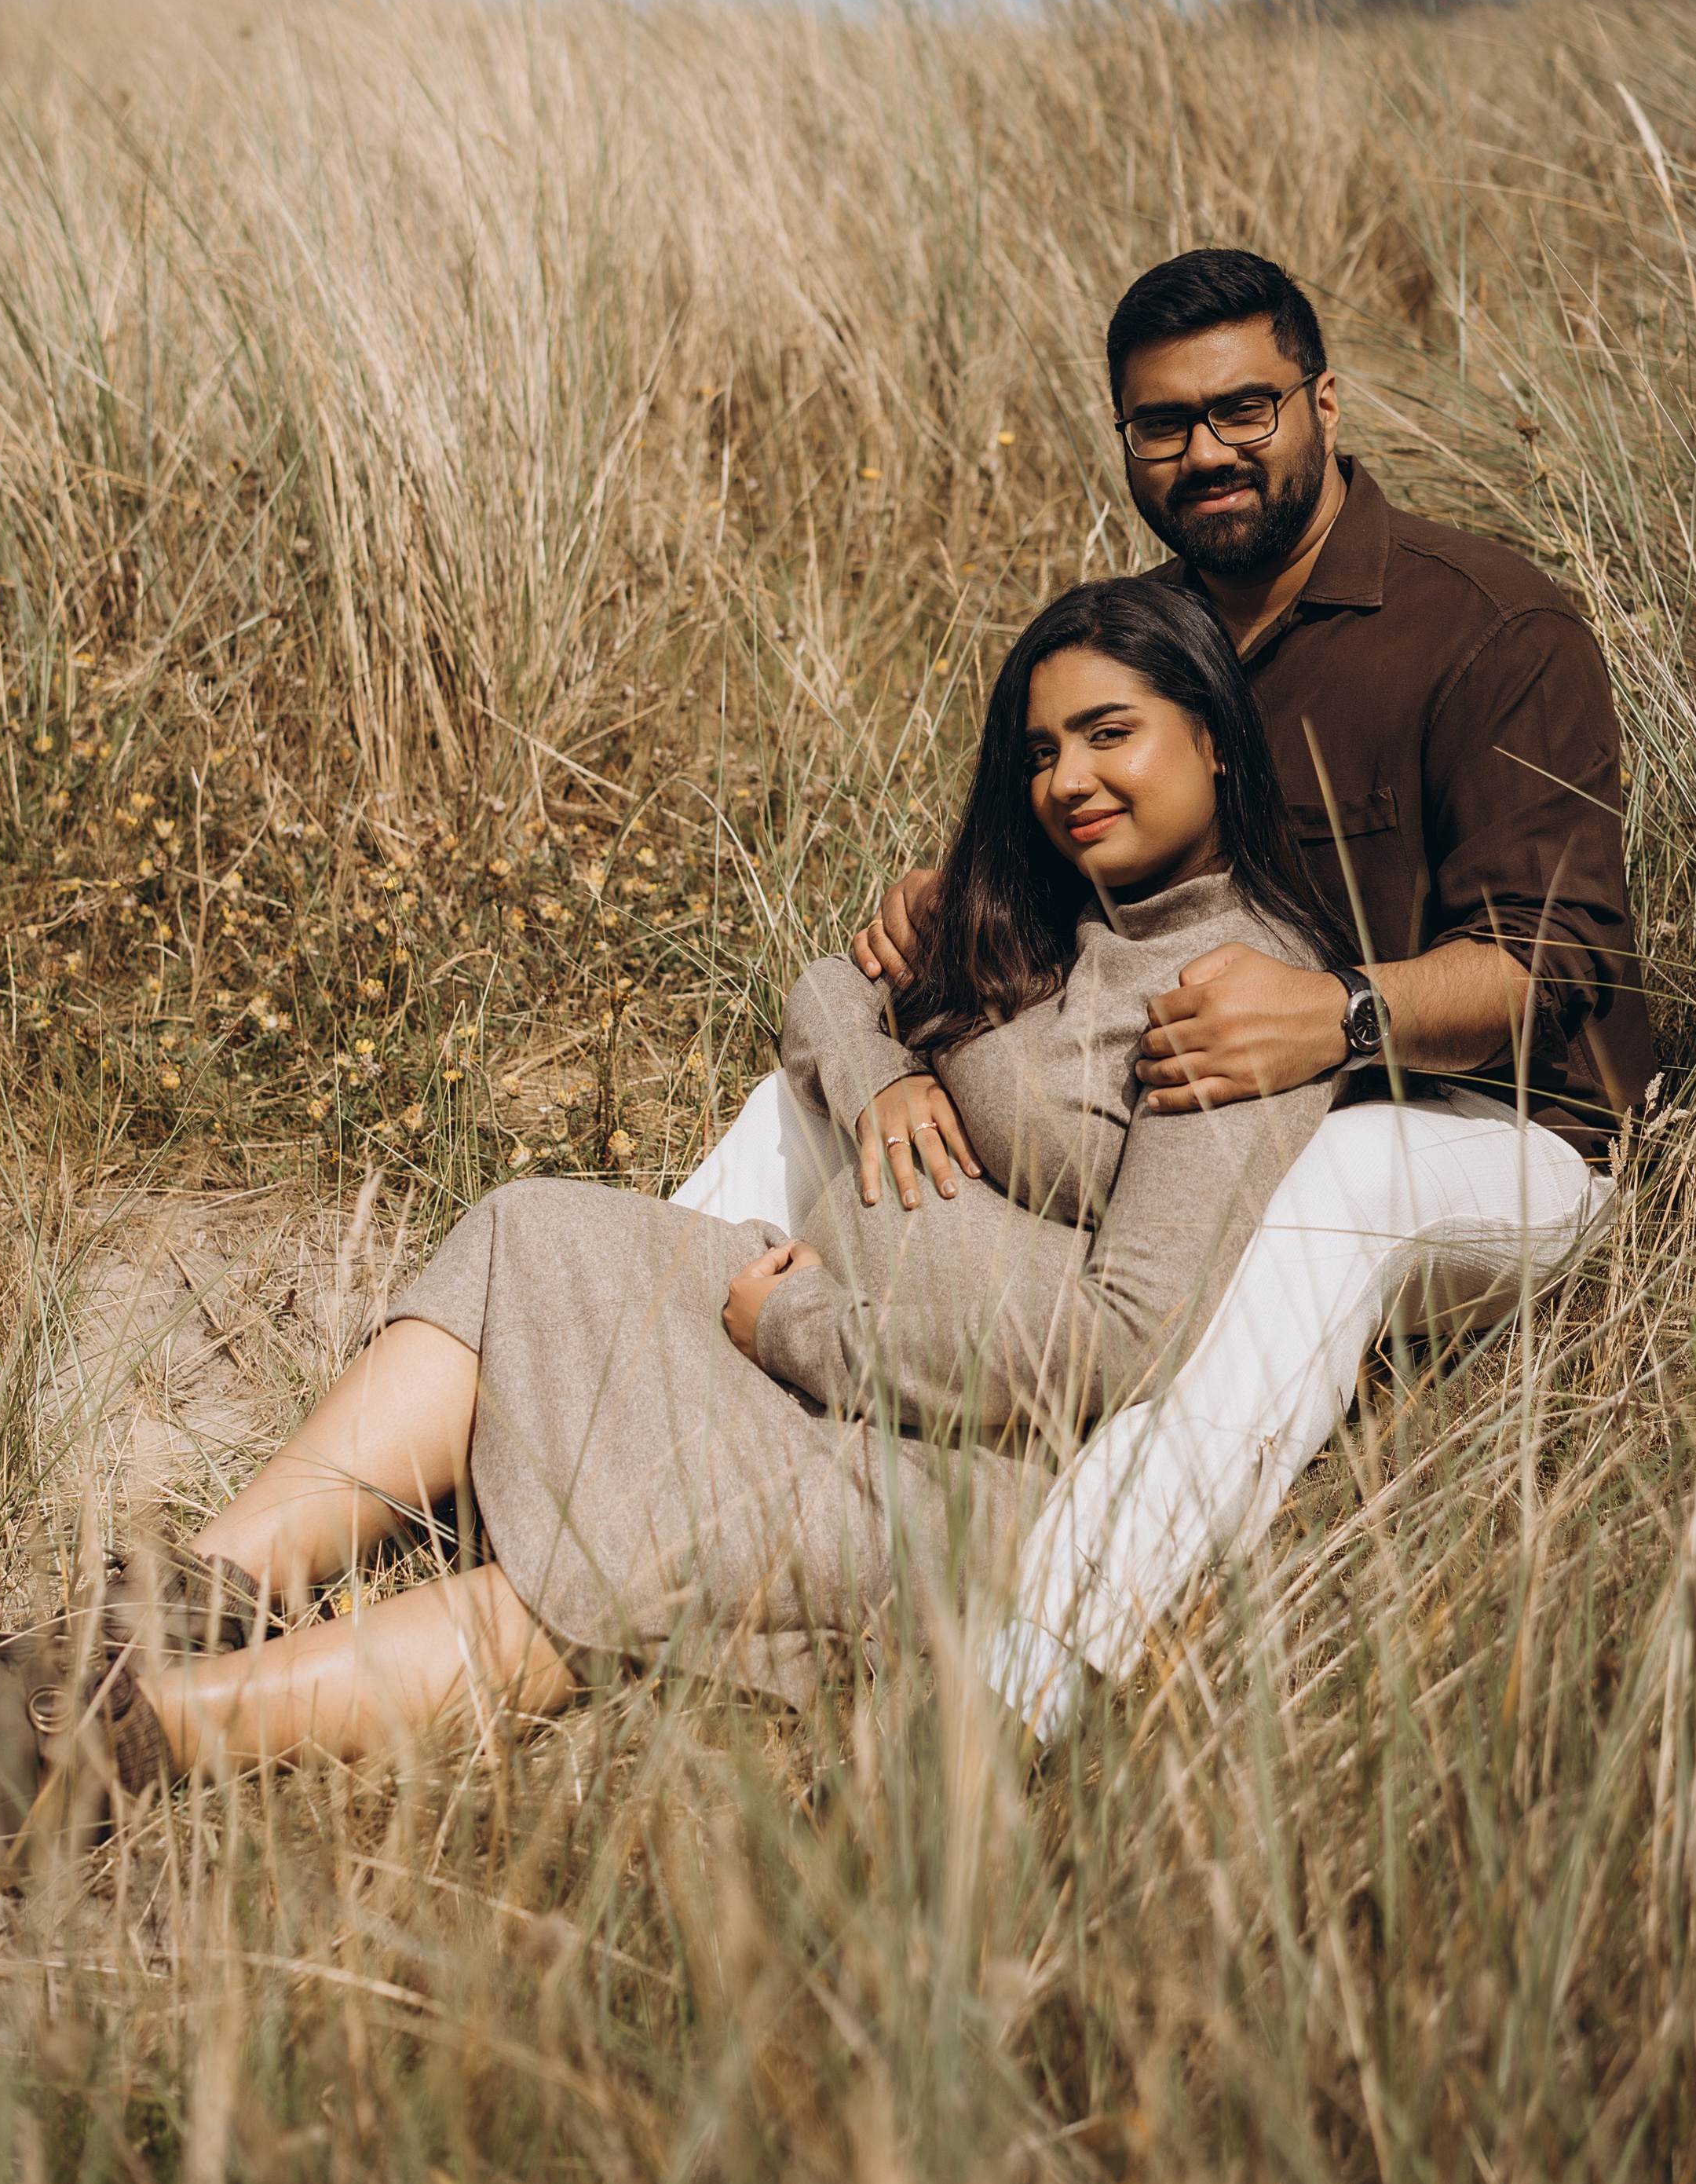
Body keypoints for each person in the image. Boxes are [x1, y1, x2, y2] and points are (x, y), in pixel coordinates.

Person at [0, 580, 1341, 1879]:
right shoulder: (1041, 904)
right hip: (792, 1344)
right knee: (532, 1230)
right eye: (1040, 748)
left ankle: (94, 1755)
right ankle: (134, 1622)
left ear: (1210, 734)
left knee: (626, 1551)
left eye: (1109, 736)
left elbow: (1114, 1341)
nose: (1069, 777)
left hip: (931, 1452)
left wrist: (801, 1329)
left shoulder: (1229, 993)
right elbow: (823, 987)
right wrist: (875, 1081)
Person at [676, 247, 1647, 1734]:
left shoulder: (1492, 630)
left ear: (1324, 400)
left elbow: (1560, 961)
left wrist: (1344, 1016)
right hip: (1174, 1126)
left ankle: (1020, 1692)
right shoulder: (1135, 632)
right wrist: (949, 929)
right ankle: (638, 1410)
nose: (1204, 451)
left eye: (1243, 407)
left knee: (1349, 1167)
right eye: (1160, 424)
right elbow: (1051, 876)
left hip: (1481, 1129)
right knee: (811, 1109)